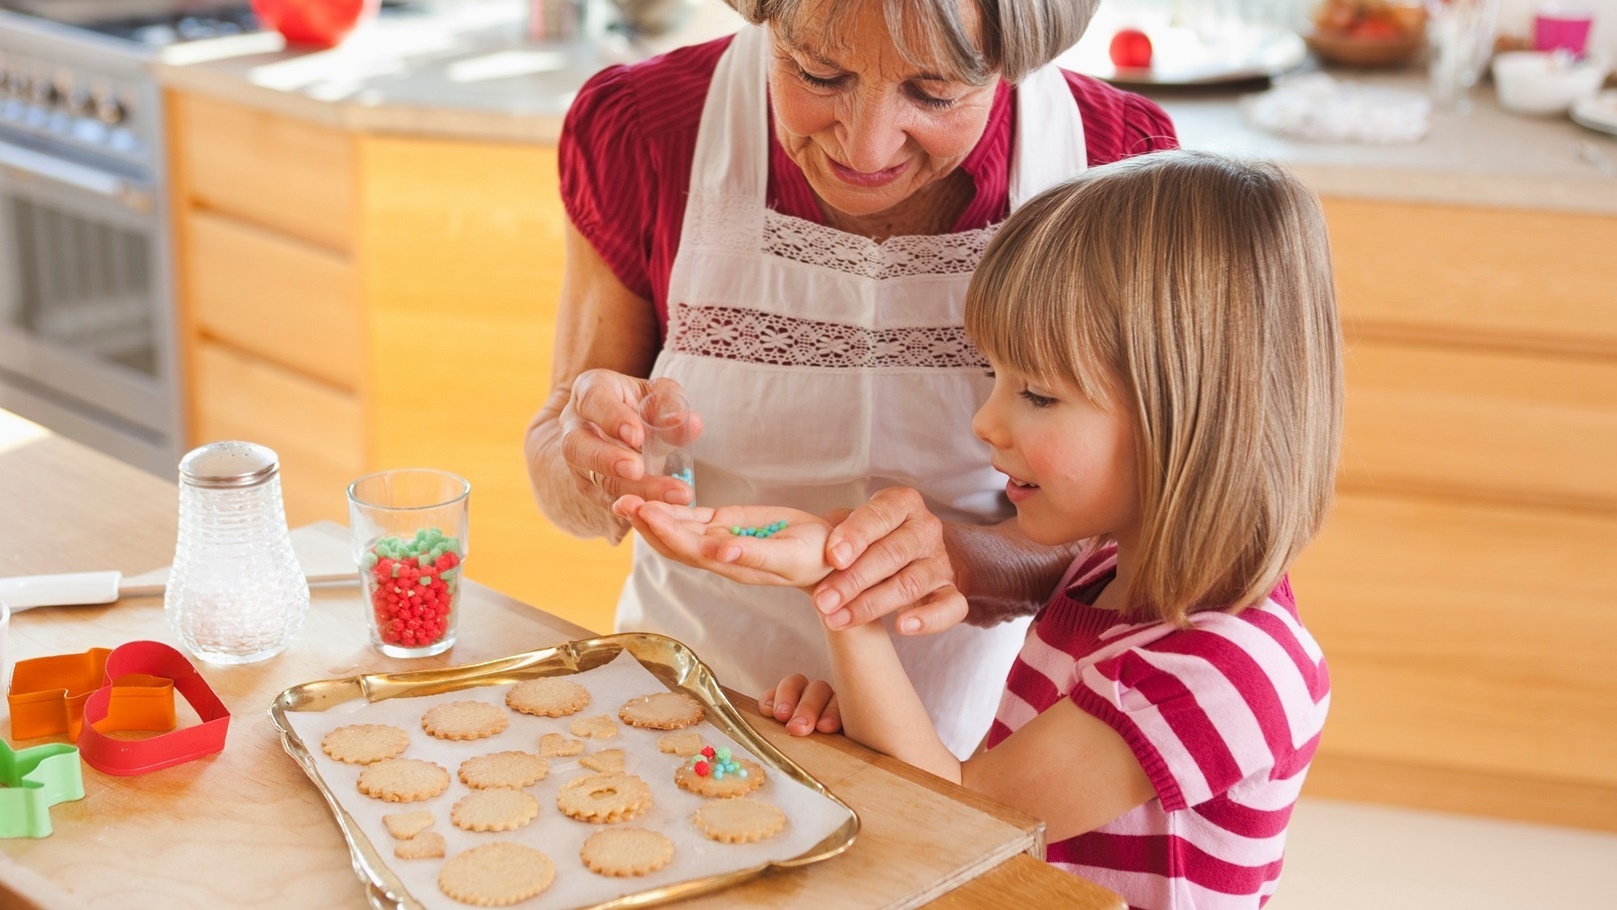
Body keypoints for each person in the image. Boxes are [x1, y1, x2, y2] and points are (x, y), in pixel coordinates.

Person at [617, 150, 1341, 908]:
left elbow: (959, 818)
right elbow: (945, 799)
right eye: (993, 377)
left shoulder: (1222, 672)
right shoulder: (1102, 575)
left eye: (1036, 394)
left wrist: (840, 598)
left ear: (1193, 415)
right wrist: (855, 723)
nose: (986, 422)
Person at [524, 0, 1178, 755]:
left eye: (933, 93)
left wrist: (957, 563)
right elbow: (558, 464)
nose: (865, 148)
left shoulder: (1119, 165)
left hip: (987, 751)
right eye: (818, 73)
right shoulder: (643, 127)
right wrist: (594, 459)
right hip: (682, 715)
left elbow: (1151, 545)